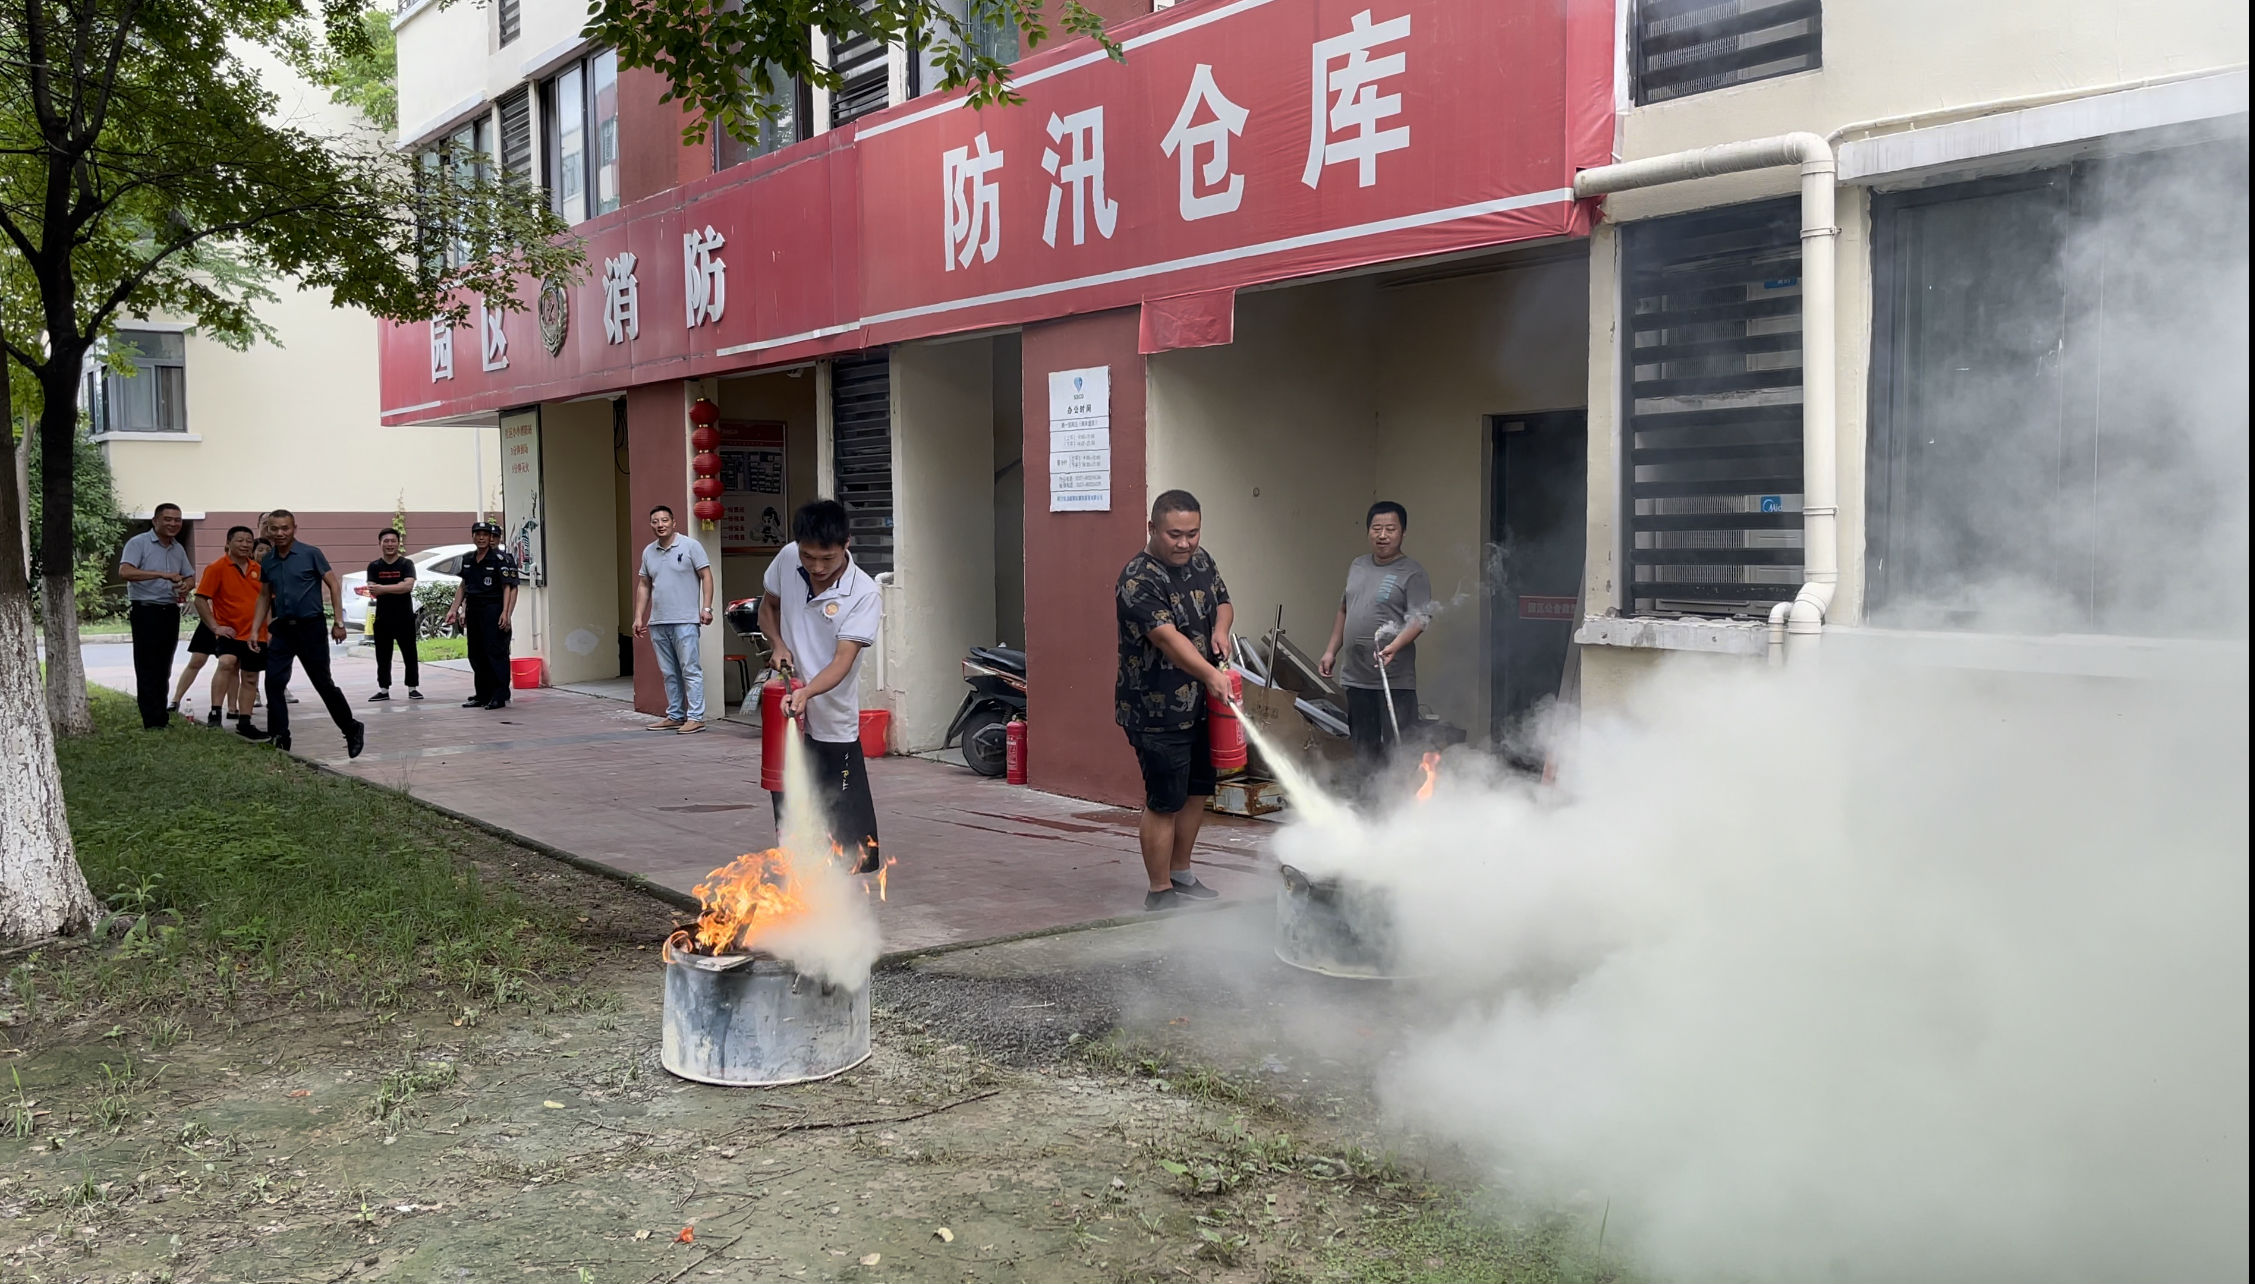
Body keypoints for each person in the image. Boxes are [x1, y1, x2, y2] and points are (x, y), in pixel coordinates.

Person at [1115, 489, 1234, 911]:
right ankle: (1160, 890)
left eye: (1193, 533)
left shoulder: (1201, 561)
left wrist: (1221, 630)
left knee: (1197, 791)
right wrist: (1210, 674)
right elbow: (1167, 639)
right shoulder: (1137, 579)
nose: (1185, 543)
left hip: (1202, 706)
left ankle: (1182, 873)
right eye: (1174, 535)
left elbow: (1223, 601)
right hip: (1155, 709)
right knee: (1165, 800)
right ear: (1152, 528)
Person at [757, 499, 884, 873]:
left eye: (827, 558)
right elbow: (768, 607)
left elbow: (843, 661)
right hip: (787, 707)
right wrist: (777, 644)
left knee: (843, 812)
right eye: (808, 556)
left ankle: (848, 878)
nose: (817, 567)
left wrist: (808, 692)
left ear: (846, 543)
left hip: (831, 715)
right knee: (788, 792)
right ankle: (799, 864)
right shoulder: (786, 558)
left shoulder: (863, 593)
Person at [1319, 501, 1434, 784]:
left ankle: (1400, 802)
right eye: (1376, 528)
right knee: (1363, 748)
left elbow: (1420, 619)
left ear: (1403, 532)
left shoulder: (1412, 572)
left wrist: (1395, 645)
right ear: (1368, 531)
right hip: (1356, 677)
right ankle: (1369, 801)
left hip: (1393, 679)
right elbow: (1344, 610)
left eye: (1390, 529)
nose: (1382, 535)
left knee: (1400, 749)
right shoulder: (1357, 565)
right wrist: (1331, 650)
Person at [250, 510, 365, 757]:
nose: (280, 533)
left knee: (322, 683)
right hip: (282, 628)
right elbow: (264, 595)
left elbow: (333, 585)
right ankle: (280, 736)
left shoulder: (311, 553)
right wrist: (254, 629)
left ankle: (351, 728)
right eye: (274, 528)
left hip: (310, 627)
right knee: (273, 683)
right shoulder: (268, 560)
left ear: (294, 528)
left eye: (285, 528)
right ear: (268, 530)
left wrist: (339, 622)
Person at [632, 504, 714, 734]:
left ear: (674, 522)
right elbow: (644, 584)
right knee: (669, 672)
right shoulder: (649, 551)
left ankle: (696, 717)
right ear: (651, 525)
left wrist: (706, 607)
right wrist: (639, 616)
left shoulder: (691, 546)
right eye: (655, 521)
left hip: (685, 620)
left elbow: (706, 576)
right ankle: (676, 715)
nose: (660, 525)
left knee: (690, 669)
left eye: (664, 520)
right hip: (658, 621)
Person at [117, 503, 195, 730]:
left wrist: (186, 585)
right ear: (155, 521)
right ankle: (151, 721)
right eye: (168, 519)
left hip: (169, 611)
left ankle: (161, 717)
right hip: (146, 610)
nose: (173, 524)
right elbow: (125, 571)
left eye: (177, 520)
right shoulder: (138, 543)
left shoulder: (177, 548)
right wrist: (161, 574)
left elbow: (190, 577)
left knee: (164, 665)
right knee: (147, 665)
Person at [190, 525, 270, 739]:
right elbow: (200, 599)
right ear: (228, 543)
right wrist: (214, 626)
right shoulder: (216, 568)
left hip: (256, 633)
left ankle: (245, 722)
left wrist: (269, 630)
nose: (245, 545)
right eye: (240, 540)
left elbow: (268, 602)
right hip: (230, 631)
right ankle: (215, 712)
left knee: (251, 676)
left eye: (248, 541)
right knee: (226, 662)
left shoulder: (260, 570)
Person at [444, 521, 519, 710]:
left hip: (493, 609)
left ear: (491, 537)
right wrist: (454, 609)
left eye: (486, 535)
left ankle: (499, 695)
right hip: (474, 610)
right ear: (473, 536)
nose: (482, 538)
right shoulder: (468, 558)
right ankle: (482, 694)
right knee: (476, 653)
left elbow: (508, 587)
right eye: (478, 534)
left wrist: (506, 613)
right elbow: (463, 586)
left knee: (495, 652)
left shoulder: (500, 559)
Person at [362, 528, 422, 702]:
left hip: (405, 617)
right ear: (380, 544)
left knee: (410, 654)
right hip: (382, 618)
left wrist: (383, 588)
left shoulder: (406, 564)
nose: (390, 544)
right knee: (382, 656)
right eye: (386, 541)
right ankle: (383, 690)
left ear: (398, 543)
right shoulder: (374, 566)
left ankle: (412, 688)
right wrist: (396, 587)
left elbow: (408, 586)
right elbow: (373, 590)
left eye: (393, 541)